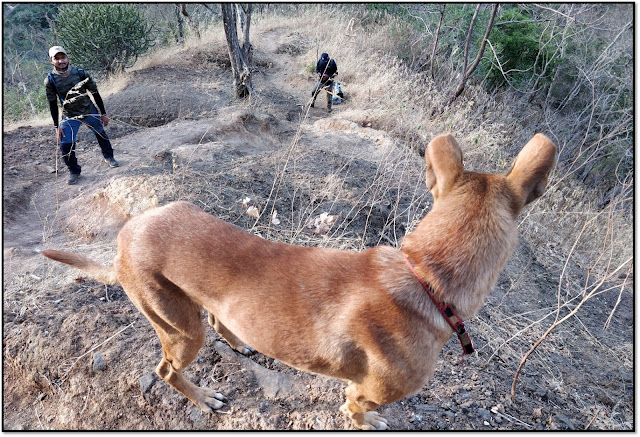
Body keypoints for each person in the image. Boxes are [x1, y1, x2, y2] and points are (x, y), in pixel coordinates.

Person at [45, 46, 118, 185]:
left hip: (89, 110)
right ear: (51, 61)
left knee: (101, 134)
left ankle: (109, 157)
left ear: (67, 58)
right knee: (65, 146)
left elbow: (95, 93)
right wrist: (56, 126)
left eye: (63, 57)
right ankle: (74, 171)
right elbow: (52, 104)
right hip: (69, 116)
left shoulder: (80, 73)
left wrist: (103, 113)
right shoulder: (50, 80)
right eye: (57, 58)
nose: (61, 61)